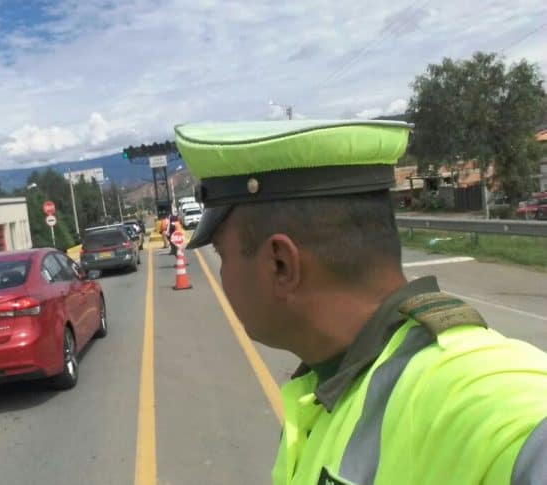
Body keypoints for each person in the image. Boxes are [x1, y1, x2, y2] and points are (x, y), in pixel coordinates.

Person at [175, 119, 547, 485]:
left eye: (223, 256)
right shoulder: (326, 387)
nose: (222, 276)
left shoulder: (475, 391)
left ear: (280, 264)